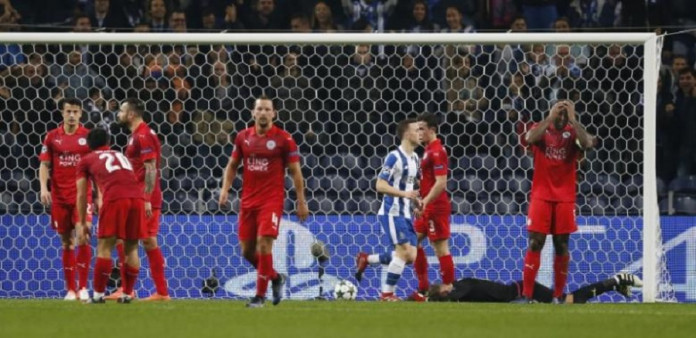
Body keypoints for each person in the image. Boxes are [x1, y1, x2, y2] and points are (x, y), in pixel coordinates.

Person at [218, 95, 309, 308]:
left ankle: (259, 297)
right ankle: (275, 277)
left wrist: (301, 201)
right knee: (247, 252)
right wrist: (225, 189)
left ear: (274, 113)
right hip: (248, 201)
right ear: (253, 112)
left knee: (264, 243)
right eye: (259, 109)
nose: (263, 113)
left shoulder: (284, 139)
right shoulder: (243, 137)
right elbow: (232, 165)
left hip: (271, 200)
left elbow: (296, 172)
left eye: (267, 109)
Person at [521, 100, 595, 303]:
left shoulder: (573, 133)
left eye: (564, 114)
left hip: (565, 197)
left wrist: (573, 119)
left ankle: (557, 296)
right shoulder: (540, 129)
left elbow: (587, 143)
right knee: (535, 242)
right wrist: (550, 117)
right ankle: (527, 295)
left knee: (561, 245)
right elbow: (529, 139)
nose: (561, 118)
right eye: (559, 114)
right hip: (541, 195)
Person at [110, 98, 170, 301]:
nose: (118, 113)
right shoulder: (136, 135)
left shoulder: (143, 135)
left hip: (146, 198)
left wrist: (146, 198)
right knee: (129, 239)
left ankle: (158, 292)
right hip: (137, 196)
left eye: (121, 110)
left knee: (147, 241)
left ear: (131, 114)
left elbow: (151, 168)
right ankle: (130, 289)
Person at [355, 118, 421, 301]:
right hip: (392, 213)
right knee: (404, 253)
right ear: (407, 133)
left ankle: (366, 259)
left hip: (407, 213)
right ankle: (387, 294)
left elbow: (411, 186)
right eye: (417, 130)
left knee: (411, 256)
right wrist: (403, 194)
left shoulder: (415, 158)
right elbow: (380, 185)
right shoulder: (394, 157)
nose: (421, 133)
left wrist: (417, 201)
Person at [75, 128, 143, 304]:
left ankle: (97, 296)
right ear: (108, 142)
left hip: (115, 199)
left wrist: (82, 222)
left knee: (104, 247)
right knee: (131, 248)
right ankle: (127, 294)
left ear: (89, 145)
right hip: (137, 198)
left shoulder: (86, 160)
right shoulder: (120, 155)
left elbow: (82, 195)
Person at [38, 98, 94, 301]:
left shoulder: (88, 136)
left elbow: (95, 165)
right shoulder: (52, 137)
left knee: (83, 236)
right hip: (60, 196)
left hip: (82, 195)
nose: (71, 115)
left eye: (75, 111)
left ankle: (83, 287)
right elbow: (44, 165)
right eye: (68, 111)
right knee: (67, 242)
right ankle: (71, 290)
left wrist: (99, 192)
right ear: (62, 113)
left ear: (81, 114)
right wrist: (44, 188)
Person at [410, 113, 454, 301]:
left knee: (441, 249)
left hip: (436, 207)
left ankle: (449, 289)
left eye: (421, 129)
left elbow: (441, 183)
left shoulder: (437, 151)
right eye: (417, 128)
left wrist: (425, 202)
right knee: (413, 242)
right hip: (427, 206)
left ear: (432, 130)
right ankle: (423, 287)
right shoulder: (427, 151)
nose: (418, 132)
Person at [426, 273, 643, 304]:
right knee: (567, 301)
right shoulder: (463, 284)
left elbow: (453, 297)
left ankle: (615, 281)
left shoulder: (461, 288)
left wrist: (425, 299)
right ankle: (616, 285)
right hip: (521, 291)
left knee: (568, 301)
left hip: (524, 291)